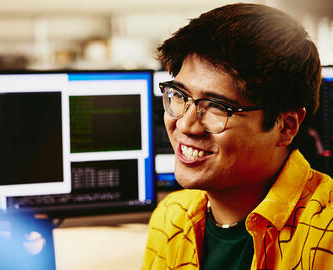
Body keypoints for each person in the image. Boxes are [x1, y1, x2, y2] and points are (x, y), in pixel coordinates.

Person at [142, 3, 333, 270]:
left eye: (217, 107)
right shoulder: (170, 218)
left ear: (287, 126)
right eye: (179, 95)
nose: (185, 125)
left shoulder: (326, 236)